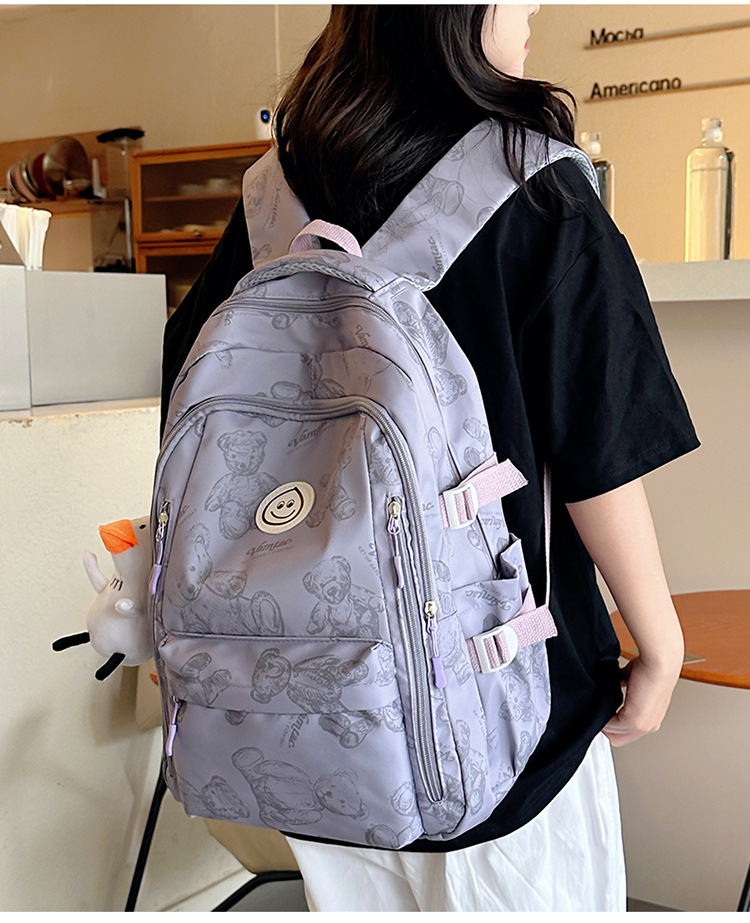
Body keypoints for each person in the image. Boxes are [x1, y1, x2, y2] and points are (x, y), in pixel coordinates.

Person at [161, 5, 699, 912]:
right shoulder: (538, 187)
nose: (535, 6)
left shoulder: (270, 197)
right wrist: (662, 641)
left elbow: (189, 415)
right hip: (507, 725)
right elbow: (599, 447)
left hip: (314, 719)